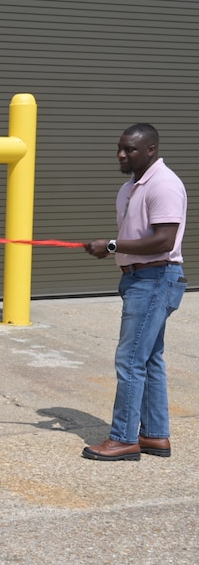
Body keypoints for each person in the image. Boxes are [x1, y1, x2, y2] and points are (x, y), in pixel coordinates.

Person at [81, 123, 187, 461]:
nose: (121, 154)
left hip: (156, 279)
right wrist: (115, 252)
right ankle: (155, 435)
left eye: (130, 149)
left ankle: (124, 437)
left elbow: (164, 241)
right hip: (141, 279)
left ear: (151, 150)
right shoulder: (132, 186)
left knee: (129, 360)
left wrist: (111, 246)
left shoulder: (164, 185)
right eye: (120, 147)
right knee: (149, 358)